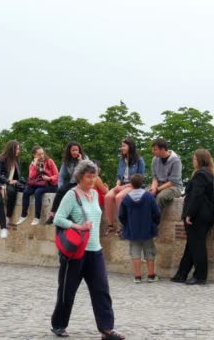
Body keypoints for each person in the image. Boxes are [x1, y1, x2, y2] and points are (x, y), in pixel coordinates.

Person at [51, 160, 125, 339]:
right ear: (80, 176)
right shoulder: (71, 195)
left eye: (94, 176)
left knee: (102, 290)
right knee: (67, 290)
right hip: (75, 252)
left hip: (95, 250)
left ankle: (107, 330)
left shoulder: (94, 193)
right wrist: (78, 226)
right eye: (89, 176)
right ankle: (59, 325)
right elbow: (58, 219)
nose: (92, 179)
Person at [171, 149, 214, 285]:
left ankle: (200, 276)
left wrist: (189, 214)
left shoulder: (200, 175)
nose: (193, 161)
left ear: (200, 160)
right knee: (192, 245)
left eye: (194, 159)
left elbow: (196, 196)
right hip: (205, 214)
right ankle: (182, 274)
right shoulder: (208, 174)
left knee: (197, 246)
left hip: (198, 215)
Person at [119, 174, 161, 283]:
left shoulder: (126, 198)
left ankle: (137, 277)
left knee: (135, 252)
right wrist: (155, 224)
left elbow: (121, 216)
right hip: (148, 229)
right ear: (142, 183)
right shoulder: (148, 196)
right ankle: (151, 275)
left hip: (133, 230)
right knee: (149, 251)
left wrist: (127, 225)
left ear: (131, 184)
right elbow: (156, 213)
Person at [104, 138, 145, 236]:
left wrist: (124, 187)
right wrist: (117, 186)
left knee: (119, 197)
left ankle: (122, 226)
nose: (121, 148)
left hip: (133, 185)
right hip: (122, 184)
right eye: (121, 146)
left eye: (123, 146)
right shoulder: (122, 160)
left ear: (130, 147)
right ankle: (110, 226)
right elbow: (119, 176)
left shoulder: (139, 160)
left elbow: (140, 178)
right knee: (108, 197)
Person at [46, 141, 88, 225]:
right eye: (73, 150)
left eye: (77, 150)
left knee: (71, 194)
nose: (75, 152)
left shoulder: (84, 158)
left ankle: (65, 216)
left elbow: (86, 168)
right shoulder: (67, 161)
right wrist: (60, 187)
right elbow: (61, 176)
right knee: (61, 191)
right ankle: (53, 214)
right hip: (73, 182)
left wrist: (80, 159)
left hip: (82, 182)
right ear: (69, 151)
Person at [15, 146, 59, 226]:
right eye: (39, 154)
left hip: (50, 184)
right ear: (34, 155)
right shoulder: (33, 164)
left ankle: (37, 217)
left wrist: (49, 178)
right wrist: (34, 165)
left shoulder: (49, 161)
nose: (42, 156)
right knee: (26, 192)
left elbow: (56, 175)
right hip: (40, 183)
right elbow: (31, 177)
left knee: (38, 192)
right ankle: (23, 215)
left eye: (42, 153)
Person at [0, 140, 21, 239]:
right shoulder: (1, 159)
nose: (19, 151)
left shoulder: (16, 160)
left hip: (8, 183)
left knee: (12, 192)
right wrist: (8, 181)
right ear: (12, 149)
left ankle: (8, 216)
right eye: (17, 149)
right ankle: (3, 228)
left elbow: (16, 176)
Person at [148, 138, 182, 210]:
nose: (152, 151)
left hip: (174, 187)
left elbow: (172, 182)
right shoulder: (155, 159)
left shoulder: (176, 161)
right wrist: (153, 188)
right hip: (159, 185)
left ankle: (155, 220)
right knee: (145, 195)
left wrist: (157, 190)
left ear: (163, 149)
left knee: (160, 197)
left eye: (155, 149)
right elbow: (155, 177)